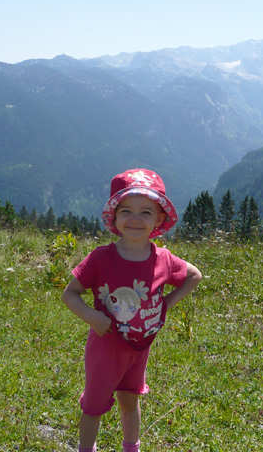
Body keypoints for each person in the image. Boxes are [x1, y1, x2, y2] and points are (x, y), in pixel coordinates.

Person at [62, 168, 202, 452]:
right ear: (114, 217)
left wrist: (166, 304)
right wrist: (92, 316)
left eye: (146, 212)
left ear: (159, 219)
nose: (135, 219)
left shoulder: (164, 259)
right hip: (105, 347)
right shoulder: (101, 259)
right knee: (94, 405)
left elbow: (194, 275)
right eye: (126, 210)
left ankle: (131, 447)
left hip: (139, 348)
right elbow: (70, 294)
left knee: (130, 399)